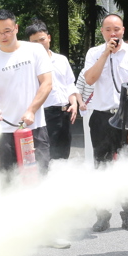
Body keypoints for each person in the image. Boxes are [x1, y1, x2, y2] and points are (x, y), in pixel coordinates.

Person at [83, 14, 128, 232]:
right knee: (102, 166)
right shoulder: (94, 53)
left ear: (123, 30)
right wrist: (105, 54)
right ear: (102, 31)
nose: (113, 33)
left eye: (117, 29)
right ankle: (102, 214)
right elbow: (89, 79)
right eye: (108, 29)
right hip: (102, 117)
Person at [0, 10, 53, 180]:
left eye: (7, 30)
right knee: (9, 180)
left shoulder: (35, 50)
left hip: (35, 127)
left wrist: (31, 110)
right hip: (5, 130)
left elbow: (47, 83)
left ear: (16, 28)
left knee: (39, 176)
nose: (2, 36)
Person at [26, 19, 79, 161]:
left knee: (63, 154)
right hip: (44, 114)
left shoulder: (61, 60)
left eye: (42, 39)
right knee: (45, 155)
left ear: (49, 38)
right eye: (34, 42)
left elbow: (69, 84)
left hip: (65, 113)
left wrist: (74, 103)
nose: (39, 44)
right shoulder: (29, 65)